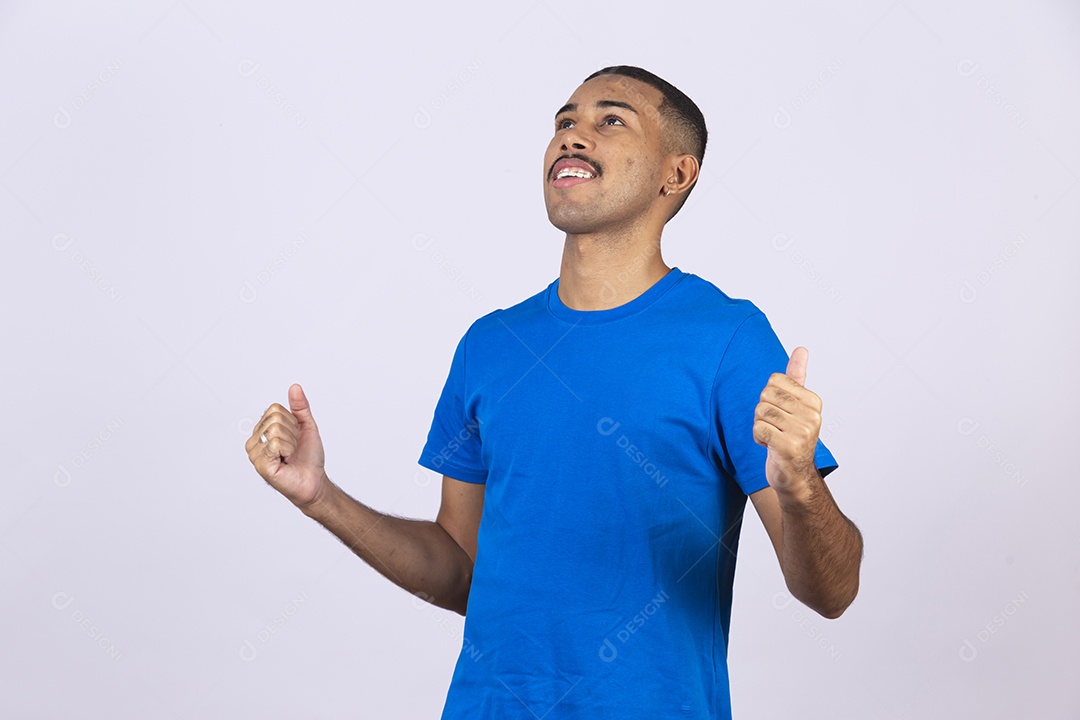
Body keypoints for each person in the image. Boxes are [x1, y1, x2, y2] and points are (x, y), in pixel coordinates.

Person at [245, 65, 863, 719]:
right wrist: (322, 499)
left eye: (610, 120)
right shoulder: (490, 346)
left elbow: (833, 591)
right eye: (564, 122)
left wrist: (800, 484)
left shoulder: (729, 340)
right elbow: (461, 567)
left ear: (675, 174)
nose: (573, 136)